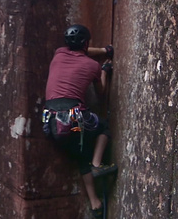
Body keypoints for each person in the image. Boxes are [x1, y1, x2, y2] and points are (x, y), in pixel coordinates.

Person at [44, 24, 117, 218]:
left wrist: (103, 51)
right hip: (75, 117)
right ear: (86, 43)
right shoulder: (92, 66)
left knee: (81, 155)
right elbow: (101, 94)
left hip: (53, 123)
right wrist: (103, 70)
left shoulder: (58, 55)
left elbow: (83, 50)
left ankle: (95, 204)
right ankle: (97, 164)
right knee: (103, 127)